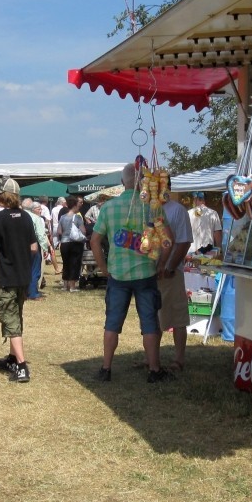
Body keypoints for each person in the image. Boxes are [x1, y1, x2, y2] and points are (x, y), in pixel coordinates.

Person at [90, 162, 172, 383]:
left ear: (122, 183)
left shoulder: (108, 208)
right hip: (146, 273)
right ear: (142, 182)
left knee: (112, 323)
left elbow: (94, 241)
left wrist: (103, 268)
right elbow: (168, 241)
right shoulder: (153, 207)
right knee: (149, 324)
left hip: (117, 274)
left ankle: (106, 368)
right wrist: (161, 265)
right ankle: (154, 370)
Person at [0, 186, 37, 382]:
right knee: (16, 315)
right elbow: (33, 247)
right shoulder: (26, 217)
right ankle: (12, 357)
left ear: (3, 197)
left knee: (9, 318)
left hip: (6, 276)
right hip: (23, 276)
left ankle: (22, 366)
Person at [157, 195, 193, 371]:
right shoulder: (147, 207)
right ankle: (151, 357)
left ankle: (179, 359)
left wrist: (170, 266)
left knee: (177, 316)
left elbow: (184, 242)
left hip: (171, 272)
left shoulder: (178, 210)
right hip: (151, 272)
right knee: (152, 316)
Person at [57, 195, 86, 292]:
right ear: (74, 205)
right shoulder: (77, 217)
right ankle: (72, 286)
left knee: (66, 264)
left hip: (64, 243)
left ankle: (65, 285)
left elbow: (59, 231)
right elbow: (83, 230)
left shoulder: (62, 217)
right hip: (75, 243)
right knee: (74, 263)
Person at [22, 198, 49, 300]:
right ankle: (33, 293)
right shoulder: (35, 218)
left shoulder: (17, 216)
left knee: (22, 269)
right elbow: (41, 235)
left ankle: (23, 292)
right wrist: (45, 248)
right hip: (33, 245)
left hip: (18, 246)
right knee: (34, 269)